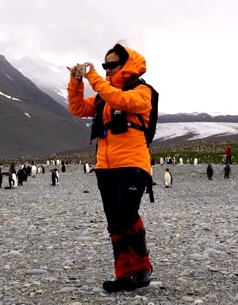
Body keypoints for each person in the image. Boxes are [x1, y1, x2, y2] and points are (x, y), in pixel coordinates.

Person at [67, 43, 153, 292]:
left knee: (126, 213)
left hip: (133, 163)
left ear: (126, 65)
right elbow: (77, 108)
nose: (106, 69)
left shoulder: (141, 91)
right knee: (115, 221)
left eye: (111, 65)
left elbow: (120, 99)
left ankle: (142, 266)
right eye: (104, 65)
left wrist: (92, 76)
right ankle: (124, 275)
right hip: (105, 166)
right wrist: (76, 82)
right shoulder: (103, 97)